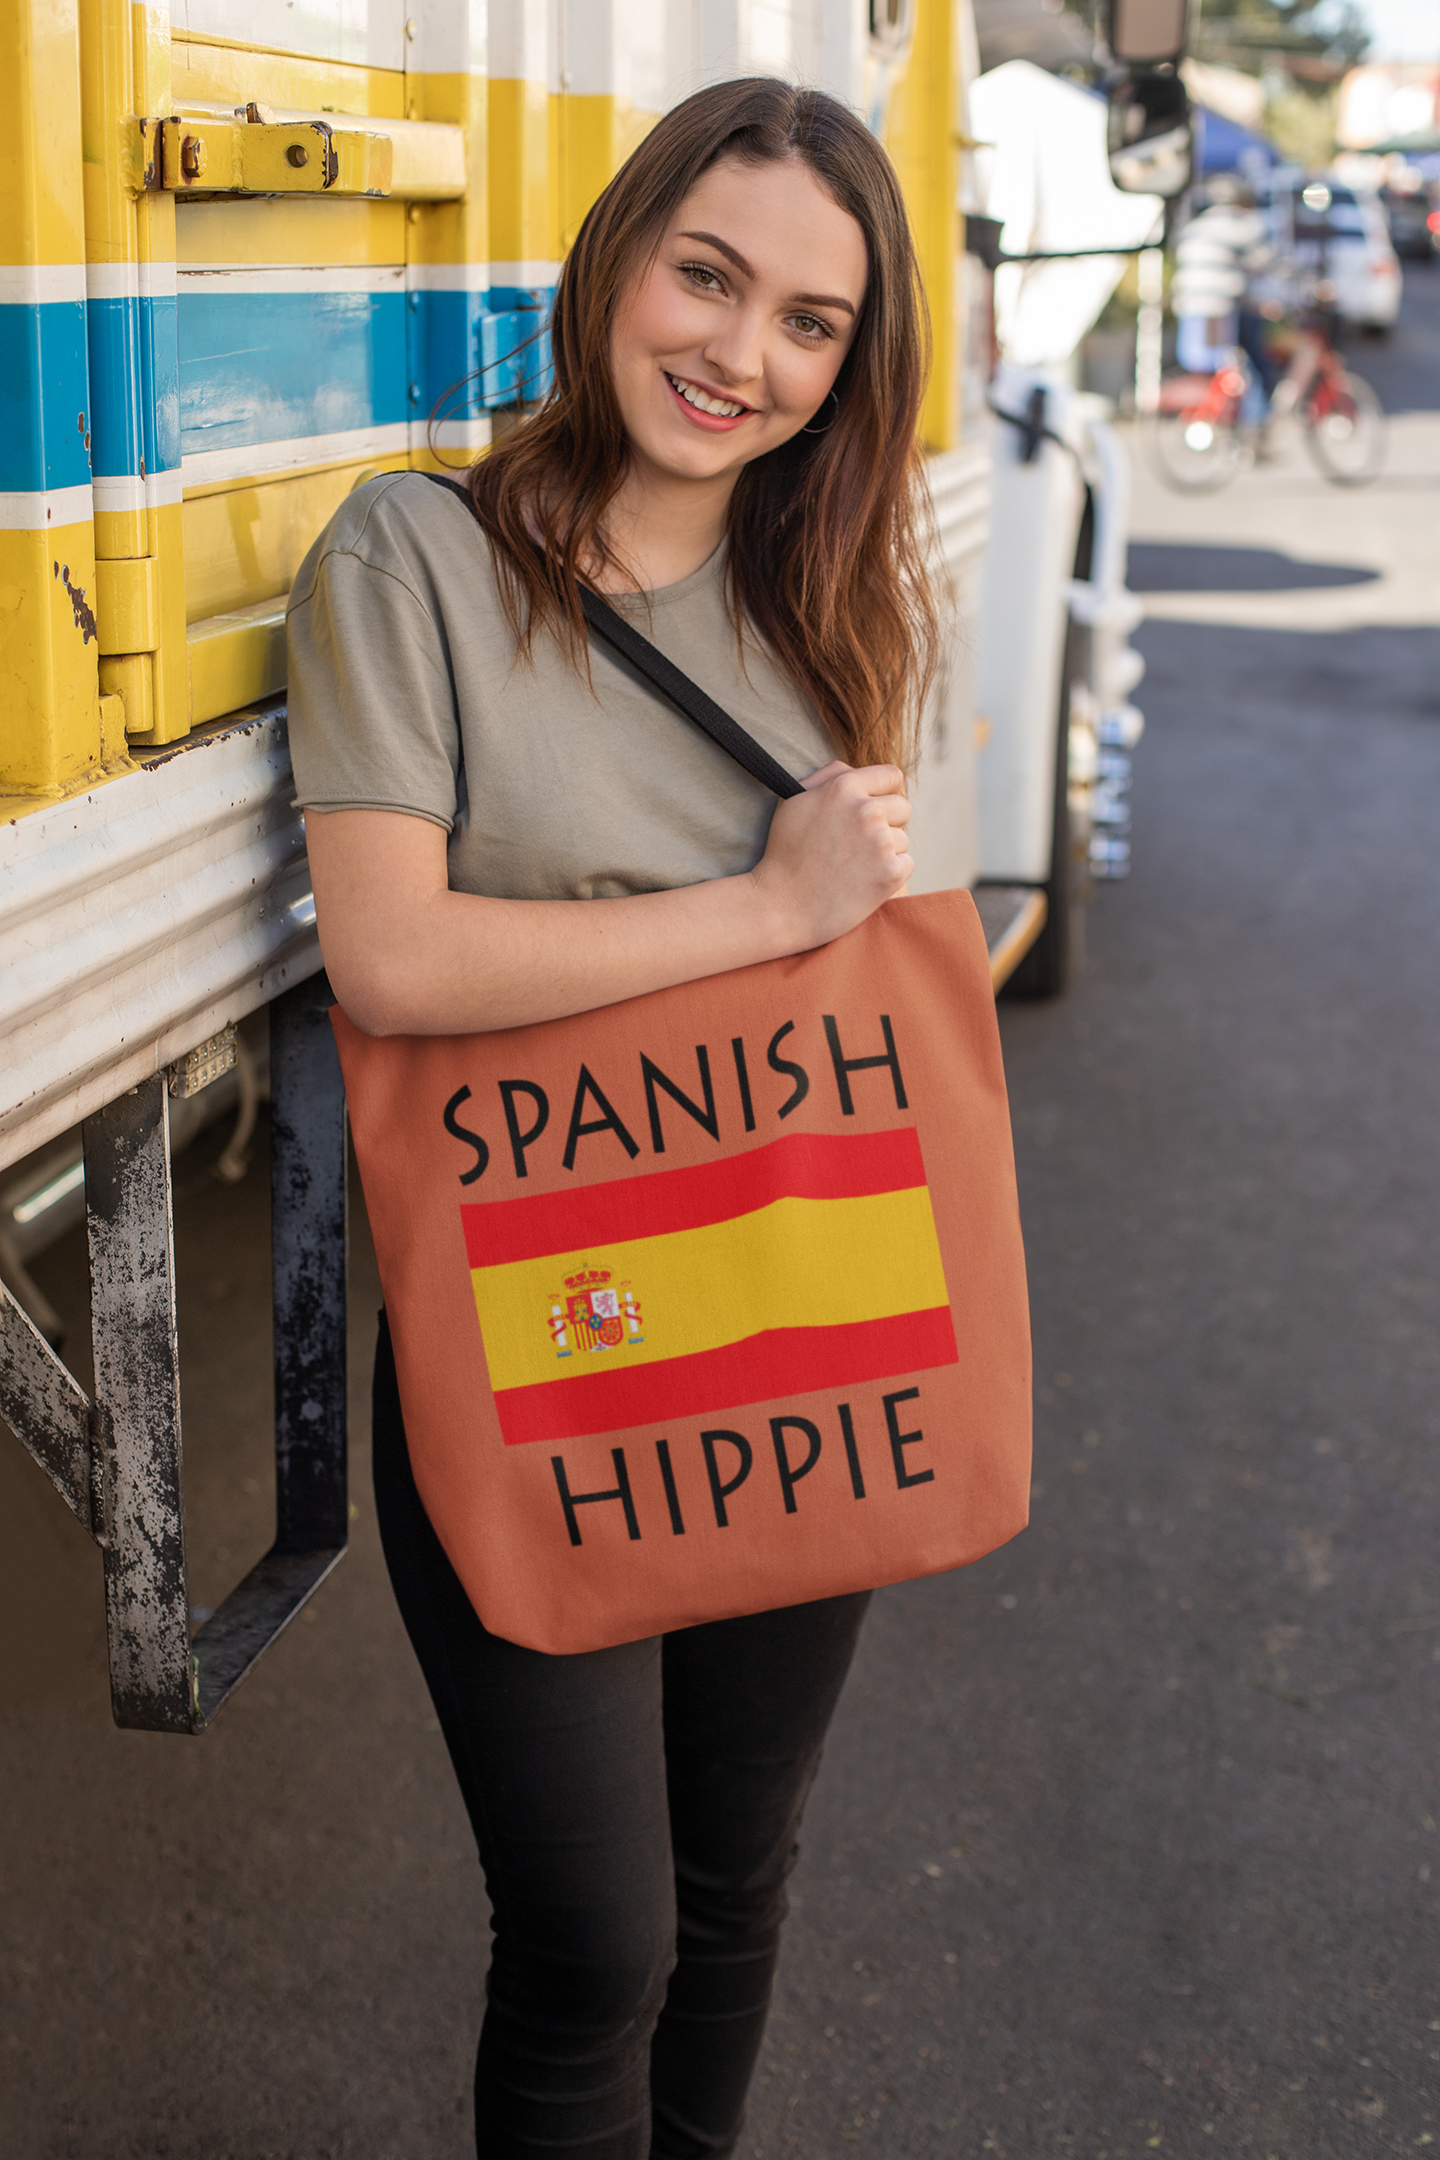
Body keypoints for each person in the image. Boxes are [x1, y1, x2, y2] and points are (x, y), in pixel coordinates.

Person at [285, 76, 940, 2160]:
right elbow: (392, 960)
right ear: (620, 259)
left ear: (850, 369)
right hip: (529, 1325)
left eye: (811, 325)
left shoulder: (828, 607)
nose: (742, 356)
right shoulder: (417, 556)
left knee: (737, 1899)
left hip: (787, 1301)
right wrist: (759, 906)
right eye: (710, 276)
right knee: (594, 1933)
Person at [1171, 173, 1281, 431]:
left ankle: (1238, 420)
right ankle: (1254, 421)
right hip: (1218, 308)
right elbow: (1268, 263)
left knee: (1211, 362)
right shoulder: (1240, 225)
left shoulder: (1195, 226)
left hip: (1190, 306)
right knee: (1248, 363)